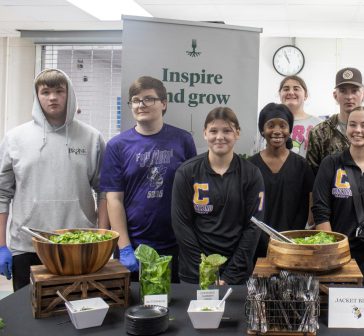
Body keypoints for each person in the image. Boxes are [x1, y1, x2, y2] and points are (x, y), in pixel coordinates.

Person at [0, 69, 108, 291]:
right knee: (29, 316)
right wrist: (1, 245)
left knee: (79, 315)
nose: (52, 97)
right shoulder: (15, 138)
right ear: (37, 96)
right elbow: (2, 194)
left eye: (59, 91)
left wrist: (102, 240)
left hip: (80, 247)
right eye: (45, 92)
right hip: (28, 246)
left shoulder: (92, 137)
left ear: (69, 94)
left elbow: (104, 190)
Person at [100, 76, 196, 282]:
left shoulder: (183, 140)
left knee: (174, 308)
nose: (141, 105)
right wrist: (124, 246)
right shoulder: (117, 146)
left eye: (148, 99)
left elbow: (193, 192)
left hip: (176, 245)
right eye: (135, 100)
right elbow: (113, 199)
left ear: (164, 103)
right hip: (135, 247)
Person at [171, 107, 264, 285]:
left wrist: (229, 276)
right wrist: (206, 271)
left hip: (236, 275)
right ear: (205, 133)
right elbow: (181, 225)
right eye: (213, 130)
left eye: (227, 130)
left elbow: (254, 227)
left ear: (237, 133)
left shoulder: (252, 174)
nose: (219, 136)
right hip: (194, 273)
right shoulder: (186, 172)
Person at [312, 106, 364, 286]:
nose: (358, 130)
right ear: (346, 129)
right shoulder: (331, 163)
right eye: (353, 125)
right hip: (336, 255)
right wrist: (332, 250)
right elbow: (320, 210)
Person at [248, 103, 315, 257]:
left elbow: (311, 207)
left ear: (290, 130)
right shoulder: (250, 166)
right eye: (270, 125)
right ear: (262, 130)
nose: (277, 131)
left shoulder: (301, 165)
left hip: (292, 245)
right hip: (257, 247)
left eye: (283, 126)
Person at [306, 67, 364, 174]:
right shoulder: (319, 132)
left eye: (354, 91)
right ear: (335, 95)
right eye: (343, 91)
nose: (349, 97)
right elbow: (311, 174)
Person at [278, 76, 322, 157]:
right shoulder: (269, 123)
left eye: (296, 89)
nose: (291, 92)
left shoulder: (320, 124)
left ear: (305, 95)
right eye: (286, 89)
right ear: (279, 94)